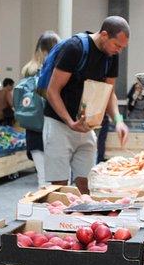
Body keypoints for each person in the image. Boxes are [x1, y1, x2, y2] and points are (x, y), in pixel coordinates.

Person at [44, 16, 130, 194]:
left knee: (87, 183)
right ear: (104, 35)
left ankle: (82, 219)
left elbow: (109, 92)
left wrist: (118, 120)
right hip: (60, 123)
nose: (119, 51)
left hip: (86, 125)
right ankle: (59, 220)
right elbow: (52, 91)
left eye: (123, 47)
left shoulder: (111, 56)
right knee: (59, 185)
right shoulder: (74, 48)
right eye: (117, 45)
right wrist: (69, 122)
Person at [20, 30, 61, 187]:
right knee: (59, 177)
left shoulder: (28, 70)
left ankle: (41, 209)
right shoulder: (56, 70)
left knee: (42, 178)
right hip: (54, 127)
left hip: (34, 127)